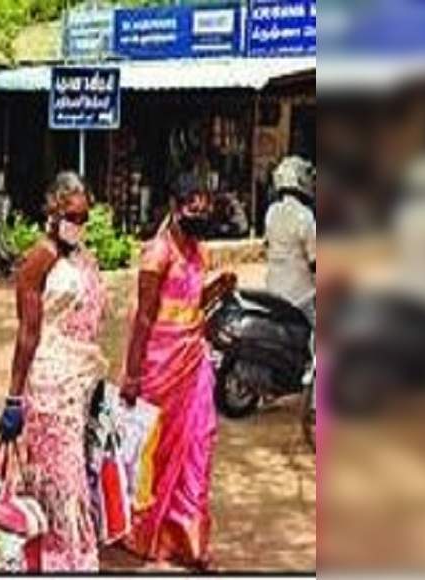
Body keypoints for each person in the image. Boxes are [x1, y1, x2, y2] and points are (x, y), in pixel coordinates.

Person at [120, 177, 236, 570]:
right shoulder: (156, 254)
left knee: (199, 444)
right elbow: (144, 317)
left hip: (193, 363)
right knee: (157, 451)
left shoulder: (198, 249)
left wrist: (217, 288)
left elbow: (190, 302)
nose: (200, 213)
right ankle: (146, 532)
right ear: (174, 204)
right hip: (159, 366)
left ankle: (190, 540)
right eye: (193, 206)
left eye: (205, 207)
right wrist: (132, 375)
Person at [0, 172, 108, 571]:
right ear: (53, 211)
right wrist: (13, 397)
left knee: (71, 471)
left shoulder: (83, 257)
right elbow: (27, 333)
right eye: (71, 216)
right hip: (48, 383)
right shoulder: (38, 258)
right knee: (61, 475)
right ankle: (63, 559)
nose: (77, 225)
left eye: (84, 218)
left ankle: (59, 554)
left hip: (80, 382)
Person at [265, 156, 316, 325]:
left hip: (273, 292)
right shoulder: (304, 216)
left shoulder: (271, 213)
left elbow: (267, 245)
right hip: (300, 296)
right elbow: (315, 261)